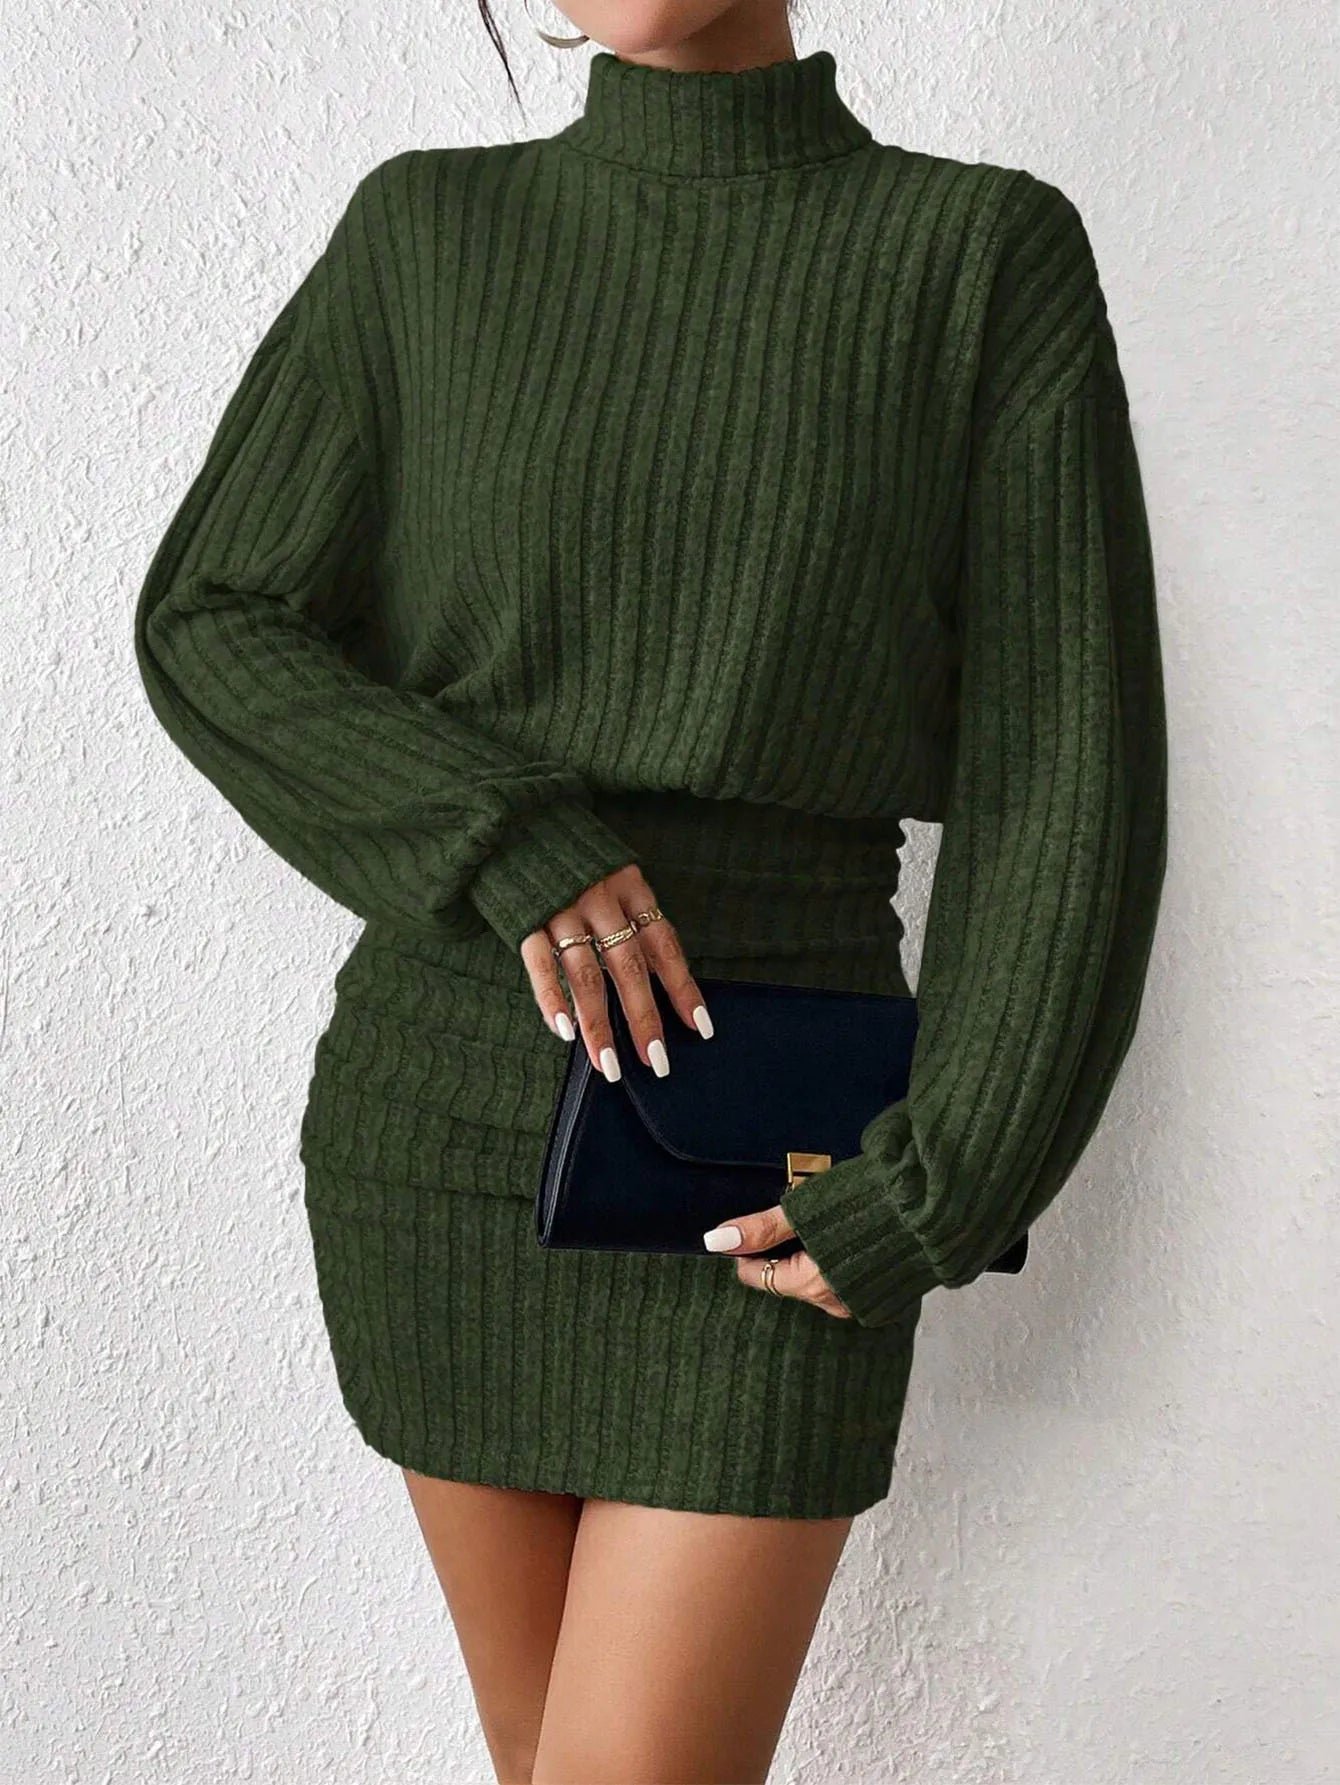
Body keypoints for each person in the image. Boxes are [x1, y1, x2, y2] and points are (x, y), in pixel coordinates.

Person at [132, 0, 1168, 1777]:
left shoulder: (979, 255)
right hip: (445, 1137)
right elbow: (209, 616)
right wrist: (509, 833)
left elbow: (1067, 767)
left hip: (782, 1164)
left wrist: (947, 1183)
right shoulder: (426, 232)